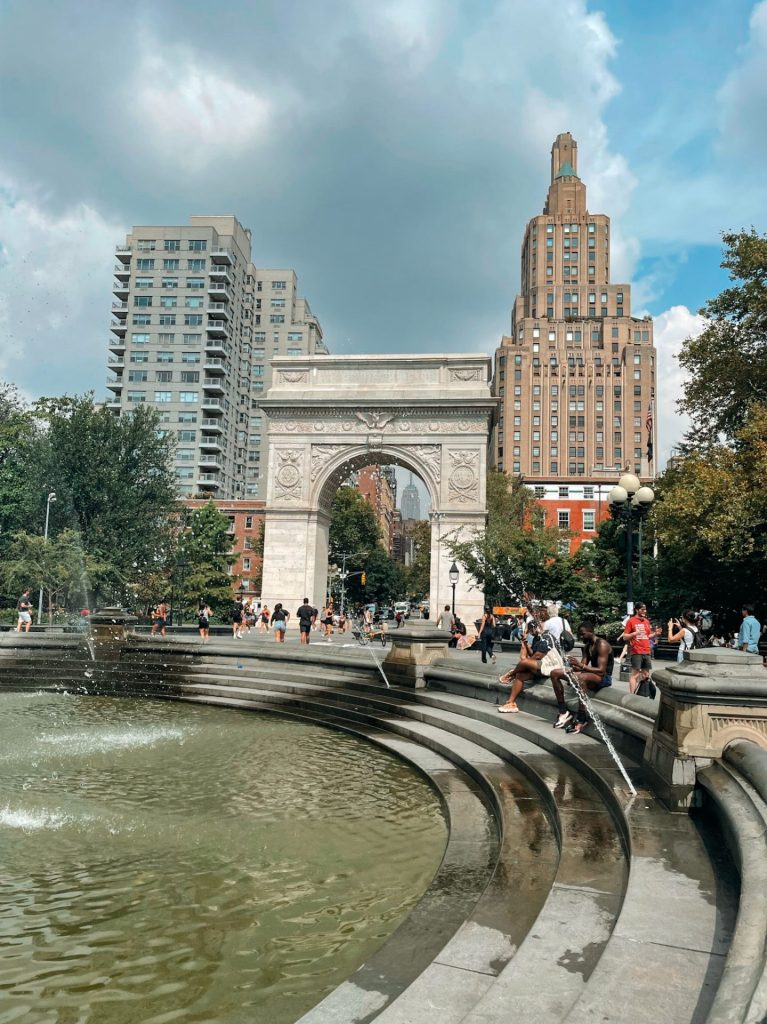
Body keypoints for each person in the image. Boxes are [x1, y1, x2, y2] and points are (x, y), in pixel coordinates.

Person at [551, 620, 614, 733]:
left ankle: (581, 717)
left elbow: (601, 670)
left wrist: (580, 665)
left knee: (582, 677)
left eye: (583, 633)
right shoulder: (587, 647)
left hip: (604, 678)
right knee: (555, 673)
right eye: (579, 634)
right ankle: (563, 711)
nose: (580, 636)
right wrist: (572, 665)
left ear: (591, 632)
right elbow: (581, 667)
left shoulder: (602, 644)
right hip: (592, 674)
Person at [497, 612, 559, 713]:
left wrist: (526, 663)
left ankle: (510, 675)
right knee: (520, 676)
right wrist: (526, 645)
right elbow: (533, 655)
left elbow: (538, 656)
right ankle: (511, 703)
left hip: (550, 666)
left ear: (535, 628)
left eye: (531, 631)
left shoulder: (547, 637)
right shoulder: (536, 638)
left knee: (523, 662)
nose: (530, 633)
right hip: (541, 665)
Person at [623, 601, 653, 695]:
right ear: (636, 610)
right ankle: (632, 695)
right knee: (635, 675)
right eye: (642, 609)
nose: (644, 611)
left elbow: (647, 636)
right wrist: (634, 633)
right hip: (636, 651)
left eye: (645, 609)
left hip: (646, 650)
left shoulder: (646, 621)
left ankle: (642, 693)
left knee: (646, 675)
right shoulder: (631, 621)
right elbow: (625, 636)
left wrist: (655, 634)